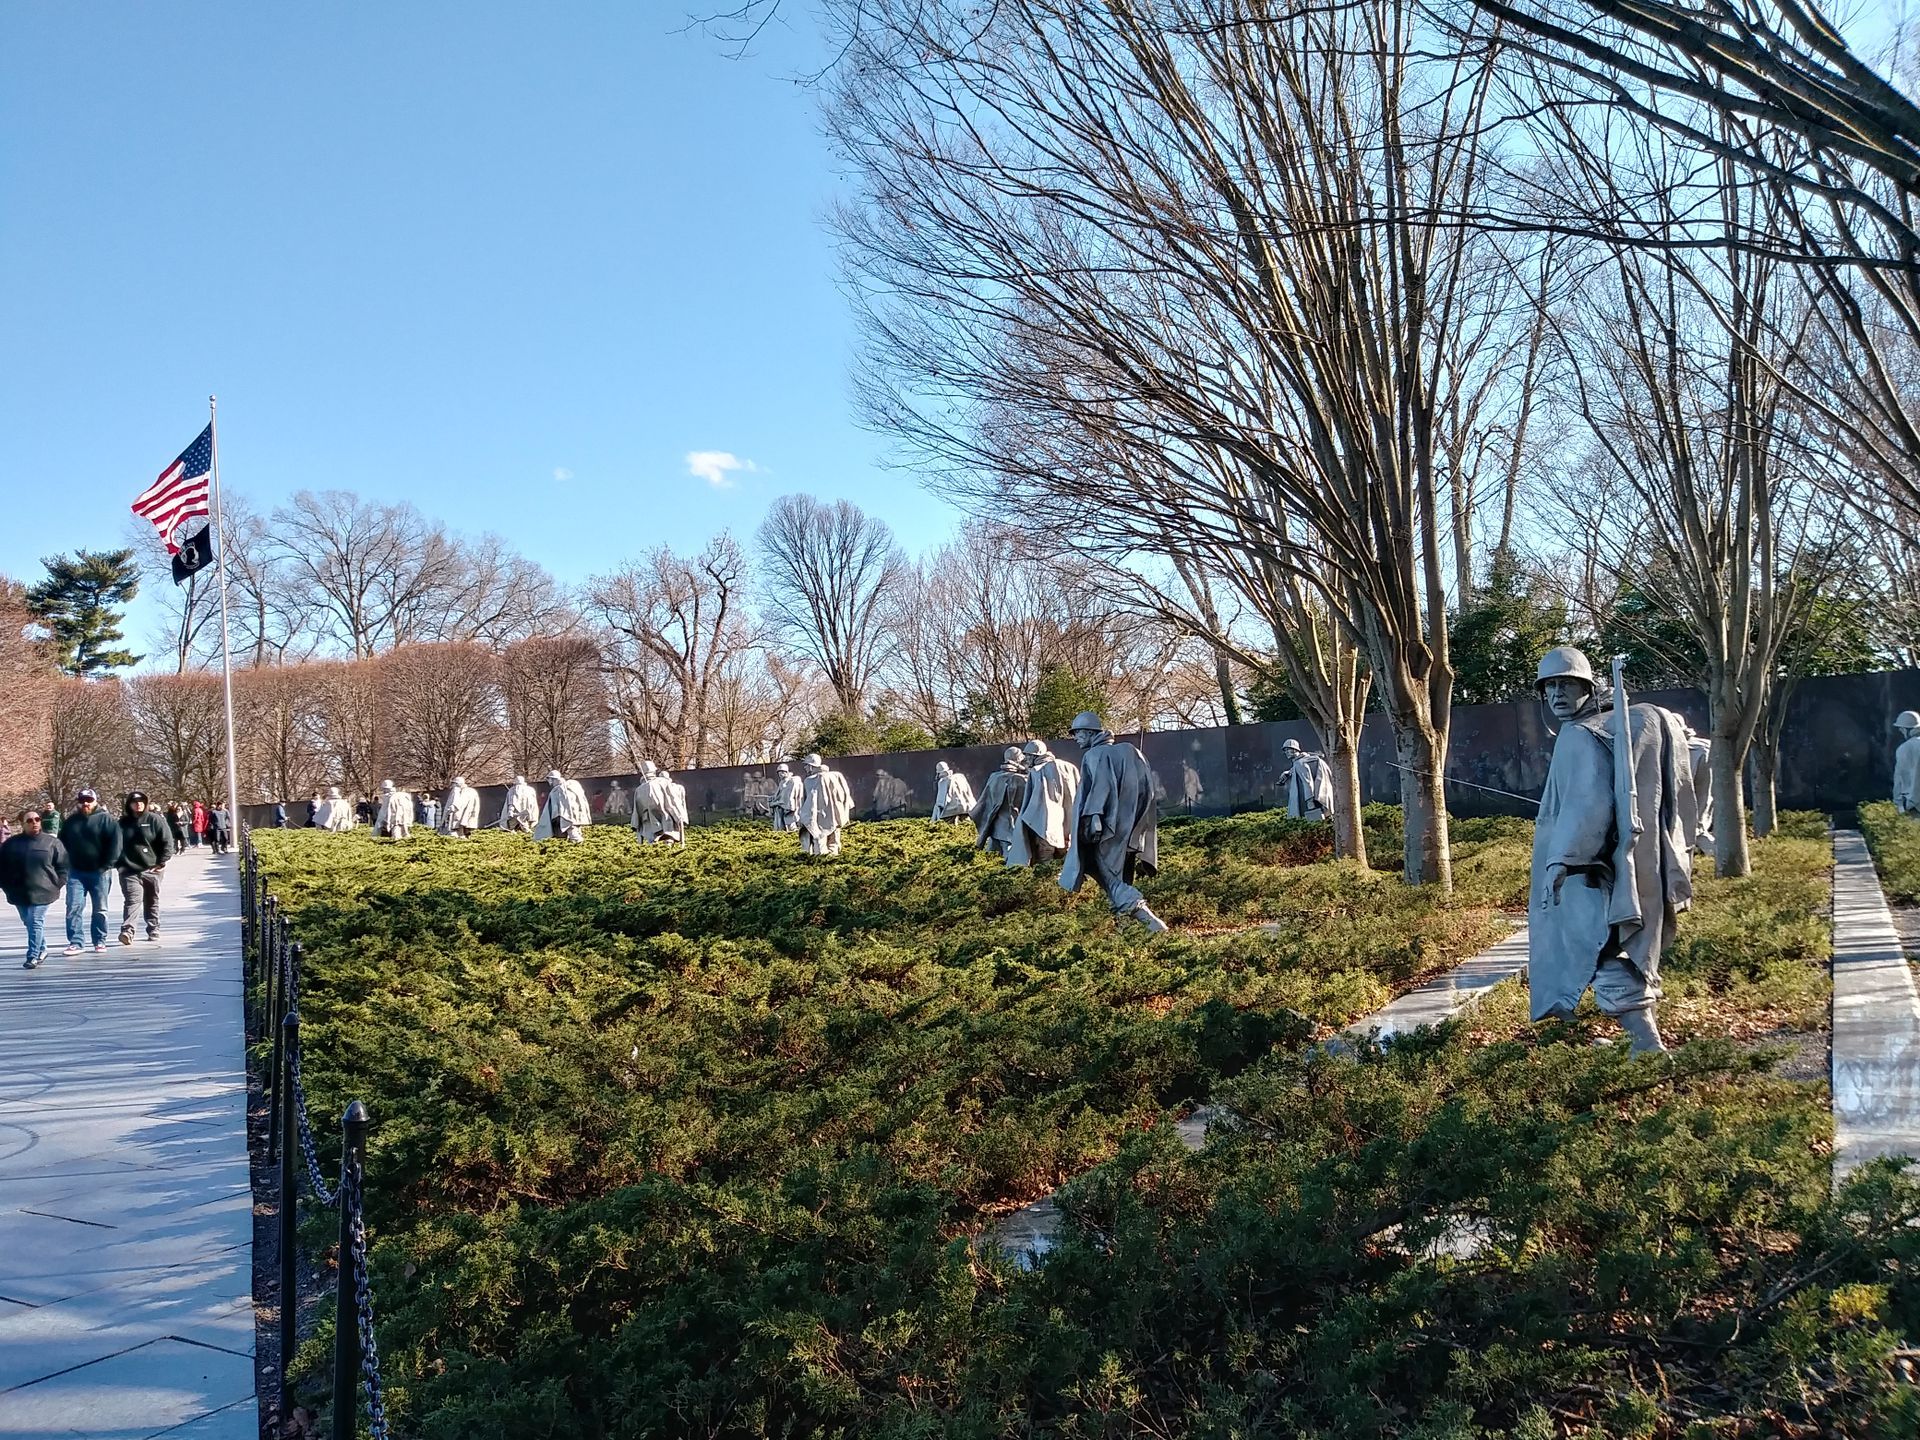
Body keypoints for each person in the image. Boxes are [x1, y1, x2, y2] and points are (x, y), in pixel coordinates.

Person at [1530, 646, 1695, 1056]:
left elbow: (1590, 803)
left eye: (1566, 685)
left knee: (1592, 948)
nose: (1556, 695)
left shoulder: (1582, 735)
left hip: (1587, 872)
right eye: (1549, 687)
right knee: (1602, 946)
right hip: (1609, 865)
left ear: (1587, 686)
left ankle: (1645, 1041)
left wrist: (1561, 860)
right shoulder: (1602, 730)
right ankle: (1637, 1036)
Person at [1060, 712, 1168, 932]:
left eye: (1078, 733)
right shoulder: (1132, 752)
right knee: (1117, 877)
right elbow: (1148, 791)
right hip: (1131, 830)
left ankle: (1151, 922)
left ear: (1090, 733)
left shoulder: (1094, 756)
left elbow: (1100, 790)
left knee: (1109, 876)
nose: (1076, 738)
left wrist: (1095, 821)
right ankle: (1124, 927)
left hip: (1105, 831)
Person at [58, 787, 122, 955]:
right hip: (76, 872)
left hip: (100, 872)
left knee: (100, 908)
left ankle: (99, 940)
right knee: (73, 907)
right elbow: (61, 844)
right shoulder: (71, 822)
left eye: (89, 800)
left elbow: (116, 845)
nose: (85, 803)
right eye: (82, 801)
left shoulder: (107, 820)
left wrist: (107, 864)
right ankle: (76, 942)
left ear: (95, 801)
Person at [1, 808, 67, 969]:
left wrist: (58, 883)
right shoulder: (12, 844)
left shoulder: (52, 842)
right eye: (30, 821)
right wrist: (5, 885)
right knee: (28, 922)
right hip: (19, 891)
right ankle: (42, 949)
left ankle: (33, 956)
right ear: (23, 824)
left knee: (35, 921)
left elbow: (63, 865)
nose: (34, 823)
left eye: (37, 819)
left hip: (44, 890)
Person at [116, 791, 175, 945]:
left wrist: (162, 862)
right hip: (129, 870)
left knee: (151, 899)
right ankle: (127, 930)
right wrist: (118, 864)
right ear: (129, 804)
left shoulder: (155, 820)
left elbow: (167, 842)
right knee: (132, 900)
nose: (138, 804)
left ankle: (154, 927)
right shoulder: (122, 823)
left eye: (142, 801)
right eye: (135, 802)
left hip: (151, 869)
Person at [1009, 739, 1078, 868]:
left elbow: (1032, 803)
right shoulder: (1069, 767)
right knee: (1066, 857)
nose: (1026, 759)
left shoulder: (1037, 771)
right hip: (1070, 823)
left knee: (1045, 857)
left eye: (1028, 756)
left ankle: (1045, 883)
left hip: (1044, 824)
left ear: (1035, 755)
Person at [970, 747, 1028, 857]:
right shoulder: (1020, 779)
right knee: (1011, 858)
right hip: (1011, 826)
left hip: (994, 825)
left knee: (992, 855)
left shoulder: (994, 777)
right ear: (1018, 760)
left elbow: (985, 801)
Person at [796, 753, 854, 856]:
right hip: (836, 815)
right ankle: (833, 860)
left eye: (806, 765)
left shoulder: (809, 780)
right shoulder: (836, 776)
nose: (805, 768)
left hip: (819, 816)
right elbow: (845, 794)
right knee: (834, 841)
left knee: (819, 839)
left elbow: (806, 802)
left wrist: (803, 817)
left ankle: (820, 861)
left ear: (811, 766)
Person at [633, 761, 690, 845]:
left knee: (652, 833)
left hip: (648, 821)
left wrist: (636, 823)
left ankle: (654, 846)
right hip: (665, 817)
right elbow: (672, 799)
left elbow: (637, 811)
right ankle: (667, 844)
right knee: (668, 828)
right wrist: (680, 815)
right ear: (654, 770)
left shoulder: (638, 789)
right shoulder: (663, 782)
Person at [1281, 737, 1335, 821]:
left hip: (1310, 803)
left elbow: (1307, 782)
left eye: (1288, 750)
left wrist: (1310, 803)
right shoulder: (1302, 760)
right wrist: (1288, 773)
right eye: (1285, 750)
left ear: (1295, 749)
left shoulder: (1300, 763)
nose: (1286, 752)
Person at [534, 770, 592, 842]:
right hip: (574, 816)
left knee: (573, 834)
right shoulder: (569, 787)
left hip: (564, 817)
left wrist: (556, 817)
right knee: (572, 833)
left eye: (550, 779)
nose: (550, 782)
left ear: (553, 779)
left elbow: (558, 806)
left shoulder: (558, 790)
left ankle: (579, 846)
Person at [1894, 710, 1920, 816]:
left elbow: (1900, 778)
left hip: (1914, 806)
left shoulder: (1905, 748)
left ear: (1906, 729)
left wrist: (1898, 804)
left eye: (1901, 729)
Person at [770, 763, 803, 832]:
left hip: (789, 807)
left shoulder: (792, 781)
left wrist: (778, 803)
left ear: (786, 772)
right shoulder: (782, 782)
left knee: (790, 825)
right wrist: (773, 799)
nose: (780, 775)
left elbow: (790, 796)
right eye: (779, 773)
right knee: (780, 824)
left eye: (781, 773)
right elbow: (779, 794)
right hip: (781, 806)